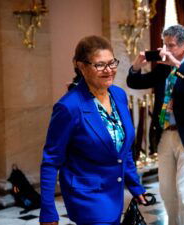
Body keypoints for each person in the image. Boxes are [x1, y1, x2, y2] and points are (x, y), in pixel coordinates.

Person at [40, 35, 146, 225]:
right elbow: (50, 160)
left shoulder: (119, 95)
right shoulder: (69, 107)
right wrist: (48, 210)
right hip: (87, 198)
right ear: (82, 67)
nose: (109, 71)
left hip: (115, 194)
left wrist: (135, 186)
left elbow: (124, 149)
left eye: (112, 63)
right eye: (100, 65)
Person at [126, 24, 184, 225]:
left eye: (171, 45)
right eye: (164, 45)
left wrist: (177, 64)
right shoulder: (162, 70)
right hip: (166, 135)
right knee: (167, 193)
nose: (165, 50)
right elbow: (134, 83)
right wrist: (136, 65)